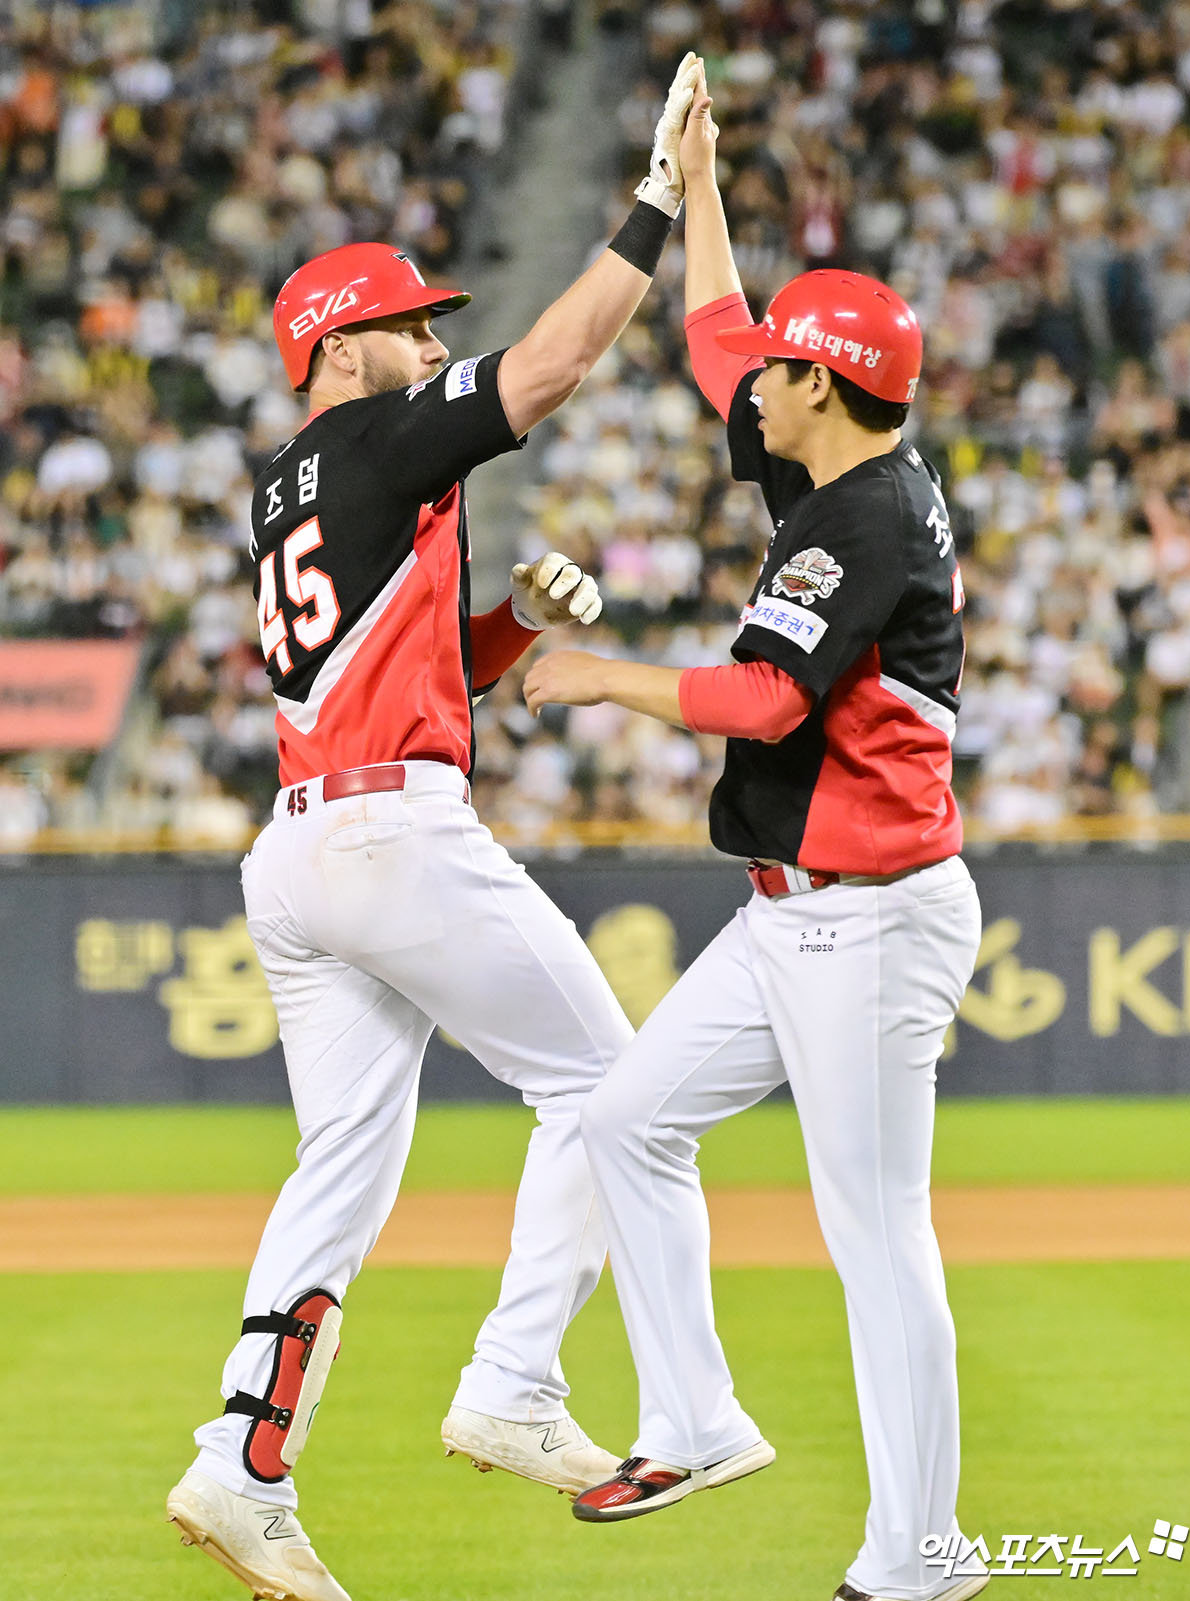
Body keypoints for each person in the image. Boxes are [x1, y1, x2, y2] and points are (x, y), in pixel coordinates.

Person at [165, 54, 704, 1601]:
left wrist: (510, 627)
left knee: (338, 1164)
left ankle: (241, 1460)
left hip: (303, 849)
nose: (432, 340)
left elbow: (399, 671)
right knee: (615, 1089)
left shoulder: (288, 485)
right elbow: (555, 362)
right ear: (340, 348)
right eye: (411, 322)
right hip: (390, 835)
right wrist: (657, 201)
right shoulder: (373, 435)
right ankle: (516, 1379)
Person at [523, 69, 988, 1601]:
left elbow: (767, 699)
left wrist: (600, 674)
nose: (754, 380)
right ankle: (698, 1418)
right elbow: (719, 330)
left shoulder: (867, 518)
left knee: (878, 1234)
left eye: (787, 366)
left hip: (871, 914)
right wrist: (701, 181)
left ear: (829, 392)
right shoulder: (834, 451)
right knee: (627, 1119)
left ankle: (920, 1557)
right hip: (793, 909)